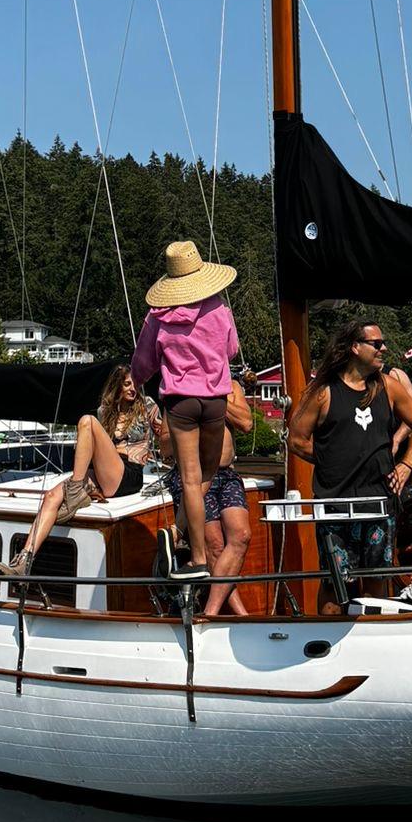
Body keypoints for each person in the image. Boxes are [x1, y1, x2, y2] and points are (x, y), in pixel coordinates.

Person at [286, 317, 412, 599]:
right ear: (354, 347)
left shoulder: (388, 387)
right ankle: (328, 638)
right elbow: (296, 440)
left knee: (377, 581)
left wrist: (405, 464)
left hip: (379, 502)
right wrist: (332, 459)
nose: (384, 349)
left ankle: (372, 636)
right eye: (377, 344)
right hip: (335, 504)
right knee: (336, 584)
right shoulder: (322, 393)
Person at [130, 240, 239, 583]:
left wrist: (136, 380)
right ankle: (178, 532)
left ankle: (197, 557)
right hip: (216, 400)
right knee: (208, 472)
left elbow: (142, 364)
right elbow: (232, 349)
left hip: (181, 402)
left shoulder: (158, 317)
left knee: (190, 480)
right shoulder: (219, 308)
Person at [0, 367, 160, 578]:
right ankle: (25, 560)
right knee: (51, 496)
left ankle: (75, 492)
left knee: (86, 421)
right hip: (104, 472)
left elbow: (164, 434)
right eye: (127, 384)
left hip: (128, 473)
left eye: (136, 383)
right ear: (117, 386)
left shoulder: (147, 406)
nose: (133, 389)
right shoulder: (105, 411)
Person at [160, 375, 255, 617]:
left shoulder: (231, 388)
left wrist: (215, 401)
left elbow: (246, 423)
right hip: (195, 480)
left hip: (226, 475)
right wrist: (191, 420)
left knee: (241, 536)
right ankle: (225, 614)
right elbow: (164, 447)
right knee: (214, 545)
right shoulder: (178, 391)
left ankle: (217, 613)